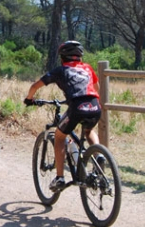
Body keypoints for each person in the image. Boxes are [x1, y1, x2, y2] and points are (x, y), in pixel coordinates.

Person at [24, 40, 104, 192]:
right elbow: (97, 88)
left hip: (76, 106)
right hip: (94, 105)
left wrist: (29, 99)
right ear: (80, 57)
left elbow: (35, 86)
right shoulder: (87, 68)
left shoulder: (60, 70)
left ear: (62, 57)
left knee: (60, 137)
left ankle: (60, 178)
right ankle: (98, 155)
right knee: (88, 131)